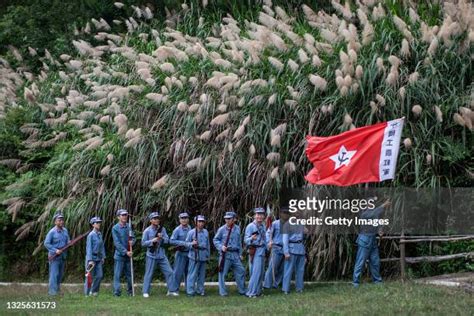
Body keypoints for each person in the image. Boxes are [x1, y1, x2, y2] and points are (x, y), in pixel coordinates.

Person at [352, 199, 391, 287]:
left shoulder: (374, 214)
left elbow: (377, 223)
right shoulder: (364, 213)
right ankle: (355, 282)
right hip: (364, 240)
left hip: (373, 240)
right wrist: (383, 206)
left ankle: (377, 281)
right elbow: (373, 214)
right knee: (360, 261)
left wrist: (380, 230)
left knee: (375, 261)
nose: (371, 205)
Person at [141, 211, 178, 297]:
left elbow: (167, 241)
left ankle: (171, 290)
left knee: (169, 272)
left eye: (157, 218)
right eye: (154, 218)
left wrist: (162, 238)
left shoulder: (162, 229)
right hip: (151, 255)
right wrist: (152, 241)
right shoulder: (147, 231)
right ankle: (145, 291)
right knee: (149, 273)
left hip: (161, 255)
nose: (157, 220)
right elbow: (143, 243)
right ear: (151, 220)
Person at [213, 211, 246, 296]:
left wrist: (240, 253)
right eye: (226, 219)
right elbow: (215, 240)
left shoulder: (237, 228)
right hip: (226, 254)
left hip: (235, 254)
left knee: (241, 271)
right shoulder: (221, 229)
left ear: (234, 219)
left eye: (229, 219)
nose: (227, 220)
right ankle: (223, 292)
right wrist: (221, 247)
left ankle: (242, 290)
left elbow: (239, 242)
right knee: (222, 274)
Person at [44, 212, 70, 296]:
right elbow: (46, 243)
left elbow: (67, 241)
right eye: (59, 220)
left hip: (63, 256)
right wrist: (55, 250)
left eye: (62, 220)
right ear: (55, 222)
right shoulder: (52, 232)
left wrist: (69, 243)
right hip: (54, 257)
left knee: (60, 275)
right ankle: (52, 293)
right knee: (54, 275)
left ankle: (57, 291)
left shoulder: (65, 230)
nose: (61, 221)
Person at [263, 207, 289, 289]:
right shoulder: (275, 223)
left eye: (287, 213)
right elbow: (268, 233)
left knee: (282, 268)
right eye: (284, 213)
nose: (285, 215)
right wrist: (269, 242)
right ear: (281, 214)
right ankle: (267, 285)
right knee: (272, 267)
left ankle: (276, 284)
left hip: (286, 249)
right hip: (276, 248)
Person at [112, 209, 135, 297]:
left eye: (125, 215)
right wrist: (125, 252)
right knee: (117, 275)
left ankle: (130, 292)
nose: (125, 216)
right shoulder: (115, 228)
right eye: (123, 215)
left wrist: (132, 242)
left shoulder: (129, 226)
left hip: (128, 255)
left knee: (129, 275)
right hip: (119, 256)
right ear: (118, 217)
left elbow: (133, 237)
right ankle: (117, 293)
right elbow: (117, 243)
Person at [244, 207, 267, 298]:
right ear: (254, 215)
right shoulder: (250, 226)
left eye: (261, 214)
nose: (259, 216)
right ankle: (251, 292)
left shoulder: (263, 226)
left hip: (262, 250)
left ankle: (258, 291)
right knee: (255, 272)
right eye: (258, 214)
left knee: (261, 272)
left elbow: (264, 239)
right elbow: (245, 240)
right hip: (254, 250)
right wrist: (251, 239)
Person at [281, 211, 306, 294]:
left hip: (300, 248)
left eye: (298, 213)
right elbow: (285, 240)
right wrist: (286, 252)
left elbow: (306, 232)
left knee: (300, 270)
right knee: (288, 270)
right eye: (295, 213)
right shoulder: (287, 225)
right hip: (291, 249)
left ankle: (299, 288)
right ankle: (286, 289)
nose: (297, 215)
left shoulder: (300, 223)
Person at [185, 215, 210, 296]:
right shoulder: (191, 232)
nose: (201, 223)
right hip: (194, 255)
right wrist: (192, 244)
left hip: (203, 255)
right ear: (196, 222)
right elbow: (186, 243)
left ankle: (200, 290)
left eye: (202, 221)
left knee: (202, 274)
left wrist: (208, 254)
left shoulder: (206, 232)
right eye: (199, 221)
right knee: (192, 274)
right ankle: (190, 291)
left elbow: (207, 244)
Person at [170, 212, 191, 293]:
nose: (184, 220)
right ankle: (174, 289)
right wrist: (183, 243)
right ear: (179, 220)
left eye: (186, 218)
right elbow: (171, 241)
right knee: (177, 272)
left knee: (188, 272)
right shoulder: (177, 230)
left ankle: (188, 289)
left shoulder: (190, 228)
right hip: (180, 253)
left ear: (188, 219)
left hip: (189, 253)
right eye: (182, 218)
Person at [84, 216, 106, 296]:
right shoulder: (91, 235)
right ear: (93, 224)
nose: (99, 224)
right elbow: (89, 248)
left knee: (99, 275)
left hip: (98, 258)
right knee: (89, 276)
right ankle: (87, 293)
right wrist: (90, 260)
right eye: (97, 223)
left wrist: (103, 256)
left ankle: (94, 291)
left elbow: (102, 246)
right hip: (92, 258)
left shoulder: (99, 234)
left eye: (99, 222)